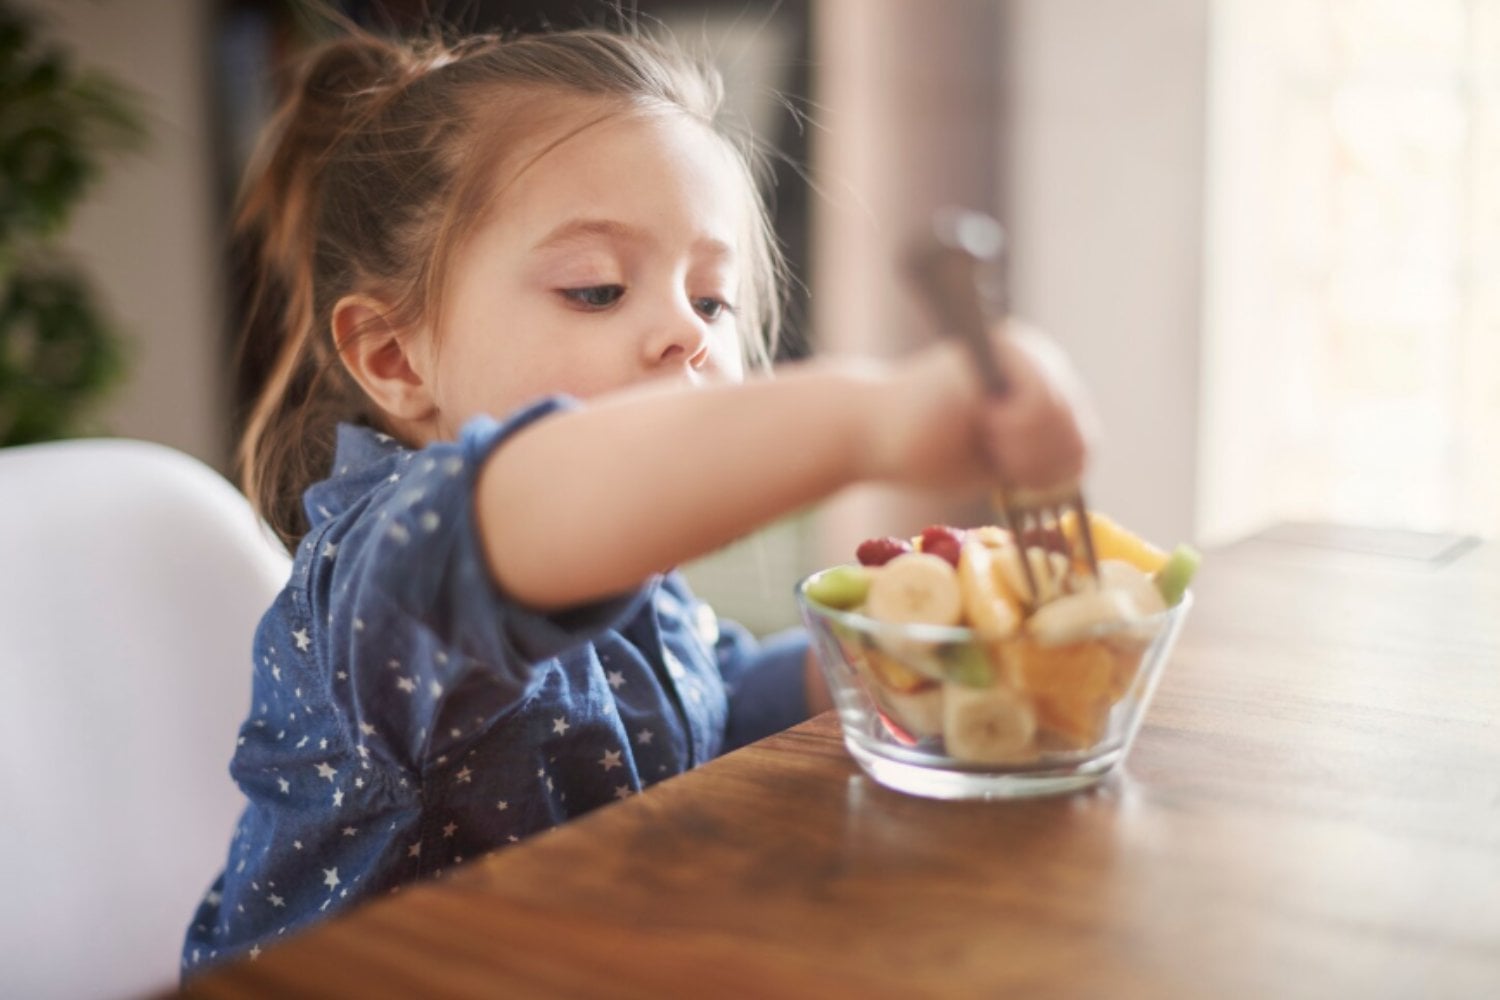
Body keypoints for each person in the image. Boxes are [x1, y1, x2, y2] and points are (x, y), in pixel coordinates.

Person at [182, 23, 1094, 975]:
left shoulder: (627, 571)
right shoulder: (392, 573)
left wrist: (877, 659)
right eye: (596, 289)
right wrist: (876, 417)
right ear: (393, 357)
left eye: (712, 300)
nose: (683, 333)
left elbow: (703, 706)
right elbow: (545, 491)